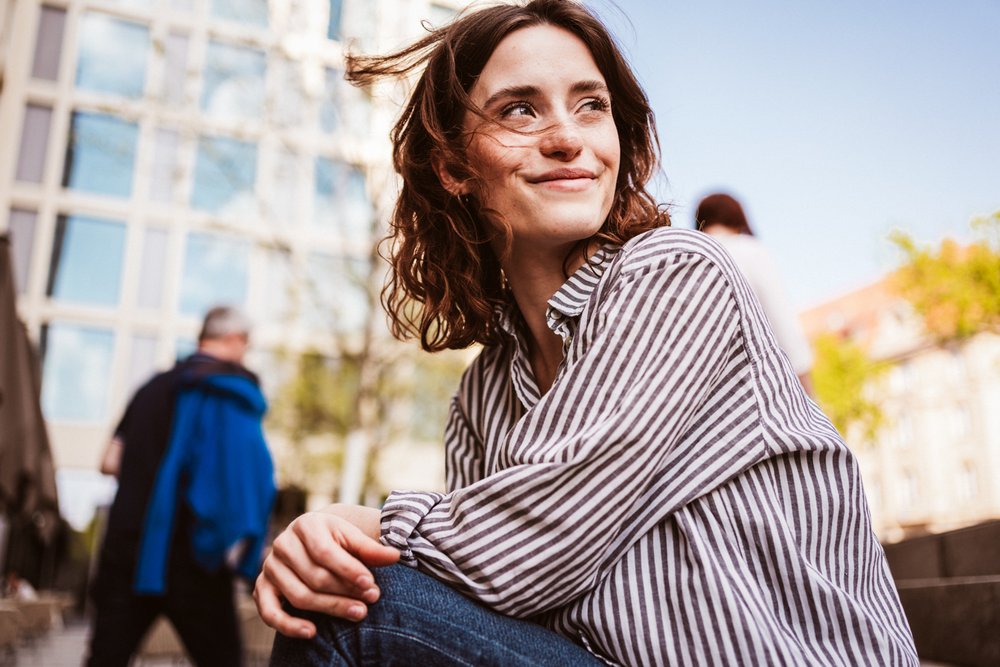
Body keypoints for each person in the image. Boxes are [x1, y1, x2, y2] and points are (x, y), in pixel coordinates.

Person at [255, 2, 918, 665]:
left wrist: (362, 524)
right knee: (345, 593)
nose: (568, 137)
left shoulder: (676, 274)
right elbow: (483, 592)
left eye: (590, 105)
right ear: (455, 166)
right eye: (520, 109)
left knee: (357, 608)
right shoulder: (482, 397)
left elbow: (536, 539)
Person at [87, 305, 276, 667]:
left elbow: (108, 461)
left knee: (105, 659)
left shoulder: (151, 388)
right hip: (194, 559)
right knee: (223, 661)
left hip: (127, 550)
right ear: (236, 340)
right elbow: (239, 486)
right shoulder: (232, 391)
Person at [696, 192, 815, 393]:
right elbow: (780, 318)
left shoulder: (693, 258)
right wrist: (806, 387)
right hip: (763, 387)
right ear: (737, 217)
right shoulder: (749, 251)